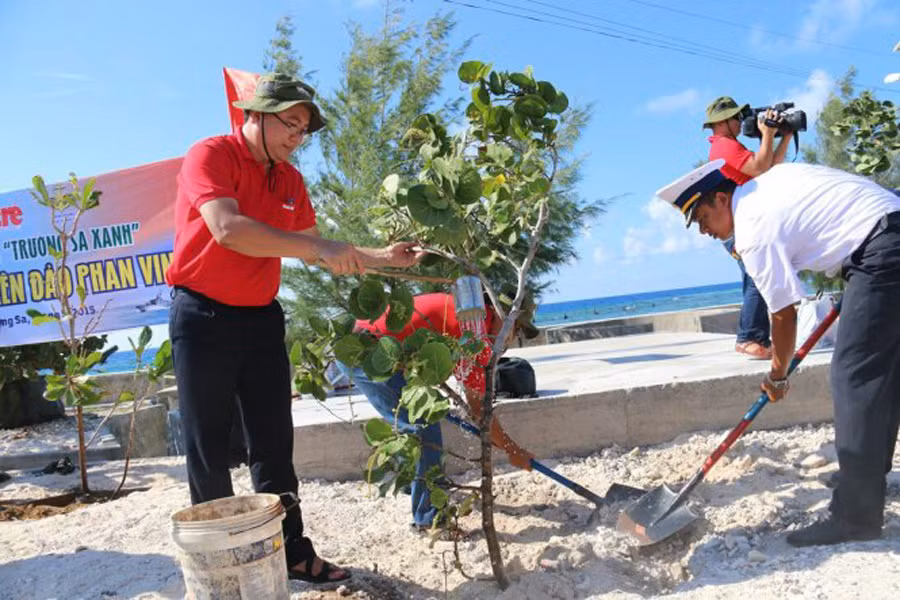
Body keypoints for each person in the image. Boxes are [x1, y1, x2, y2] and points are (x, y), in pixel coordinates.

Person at [165, 73, 423, 583]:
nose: (297, 138)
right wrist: (320, 248)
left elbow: (319, 249)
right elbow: (228, 230)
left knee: (274, 446)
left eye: (304, 130)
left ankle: (294, 553)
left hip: (260, 319)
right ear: (255, 115)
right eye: (290, 124)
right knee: (208, 447)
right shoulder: (210, 155)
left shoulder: (289, 180)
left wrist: (383, 258)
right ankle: (222, 570)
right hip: (202, 315)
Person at [658, 158, 900, 547]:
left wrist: (778, 374)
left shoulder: (752, 231)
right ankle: (866, 482)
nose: (703, 230)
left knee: (853, 375)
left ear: (722, 199)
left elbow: (783, 314)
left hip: (881, 250)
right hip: (886, 234)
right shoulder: (767, 185)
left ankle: (856, 517)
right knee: (883, 373)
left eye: (703, 217)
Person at [338, 289, 539, 530]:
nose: (510, 340)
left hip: (373, 343)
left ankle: (414, 486)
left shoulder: (470, 311)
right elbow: (479, 411)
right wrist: (511, 449)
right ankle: (429, 519)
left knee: (416, 422)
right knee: (422, 428)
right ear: (502, 316)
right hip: (364, 350)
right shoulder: (473, 332)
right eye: (515, 330)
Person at [704, 96, 795, 360]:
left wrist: (783, 138)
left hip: (744, 222)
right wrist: (767, 133)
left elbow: (769, 168)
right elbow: (759, 166)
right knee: (757, 278)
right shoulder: (724, 146)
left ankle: (754, 337)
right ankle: (749, 338)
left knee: (755, 278)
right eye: (736, 118)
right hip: (739, 224)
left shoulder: (730, 145)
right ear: (724, 122)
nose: (741, 122)